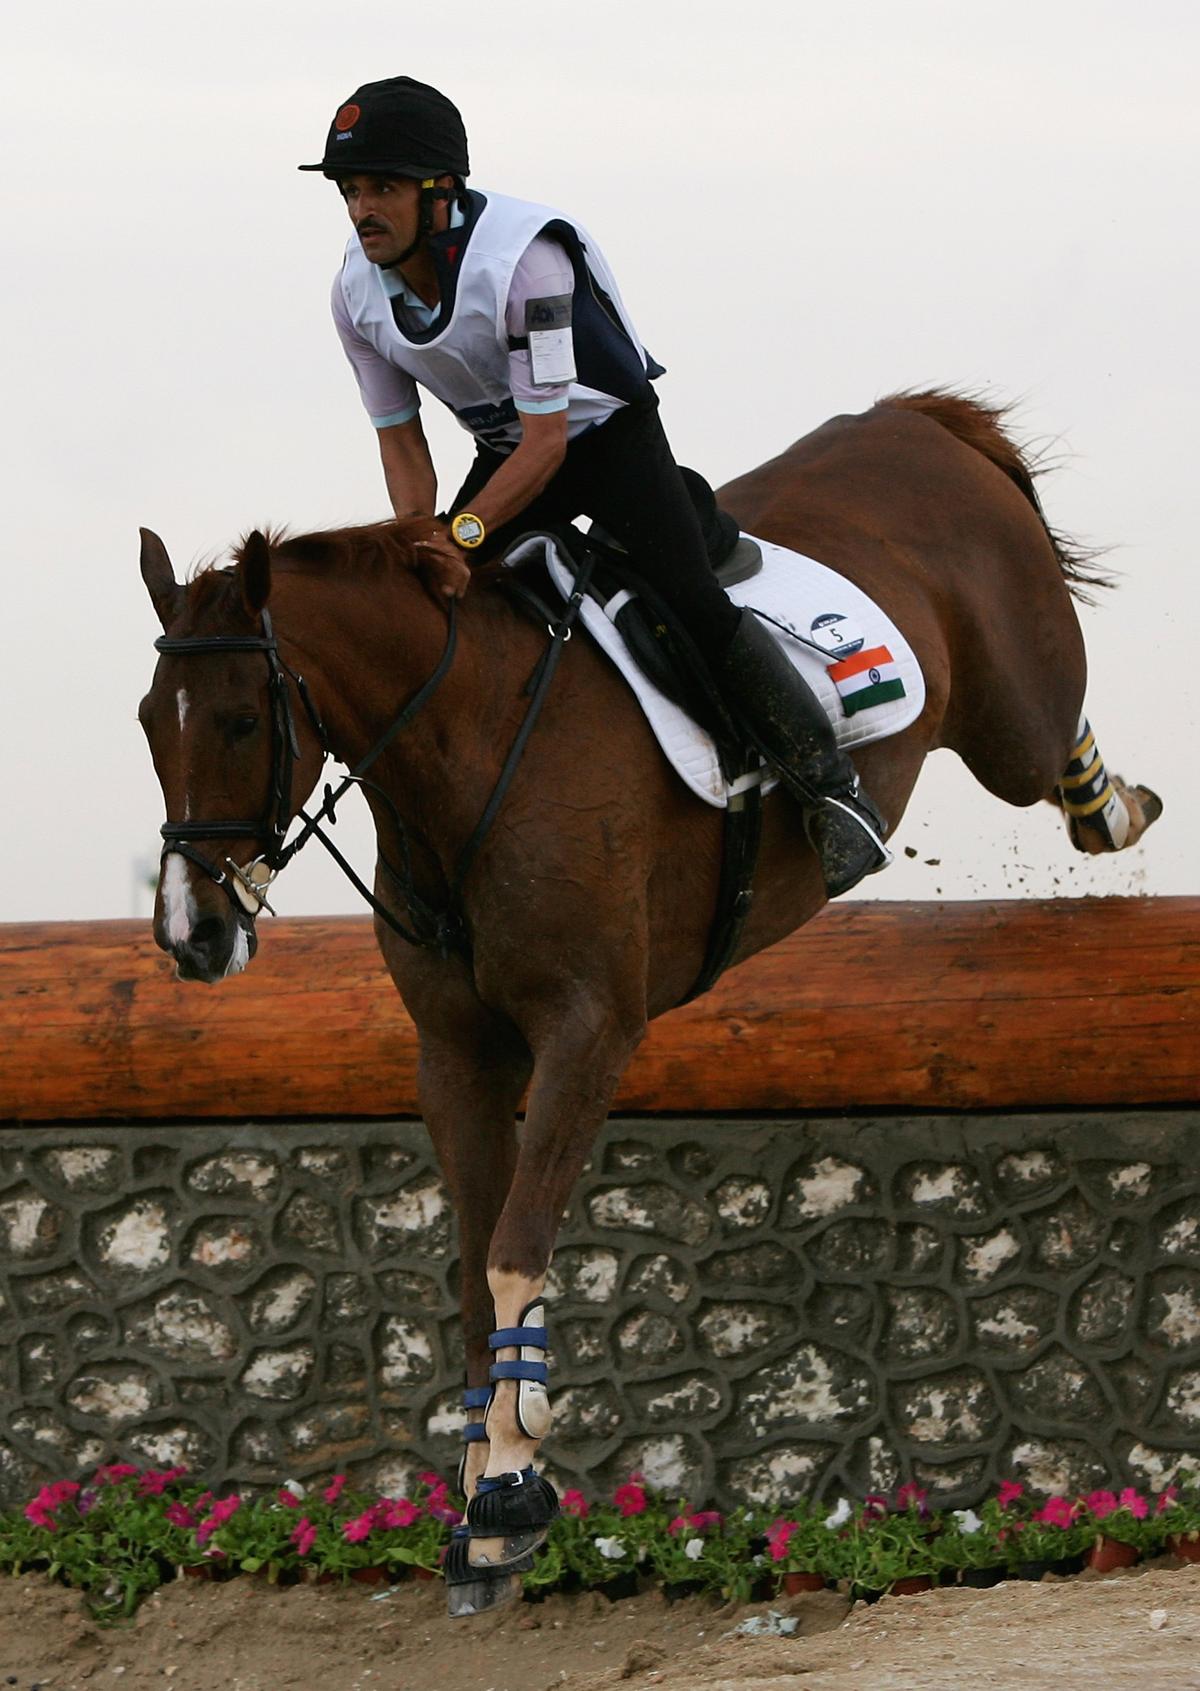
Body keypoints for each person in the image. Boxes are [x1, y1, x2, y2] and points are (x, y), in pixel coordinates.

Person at [300, 76, 888, 897]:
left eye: (384, 188)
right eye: (351, 189)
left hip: (603, 437)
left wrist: (465, 533)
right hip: (508, 450)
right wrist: (421, 539)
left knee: (687, 598)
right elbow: (402, 444)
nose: (363, 208)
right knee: (432, 602)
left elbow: (550, 442)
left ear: (442, 195)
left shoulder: (525, 263)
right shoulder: (352, 295)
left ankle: (834, 793)